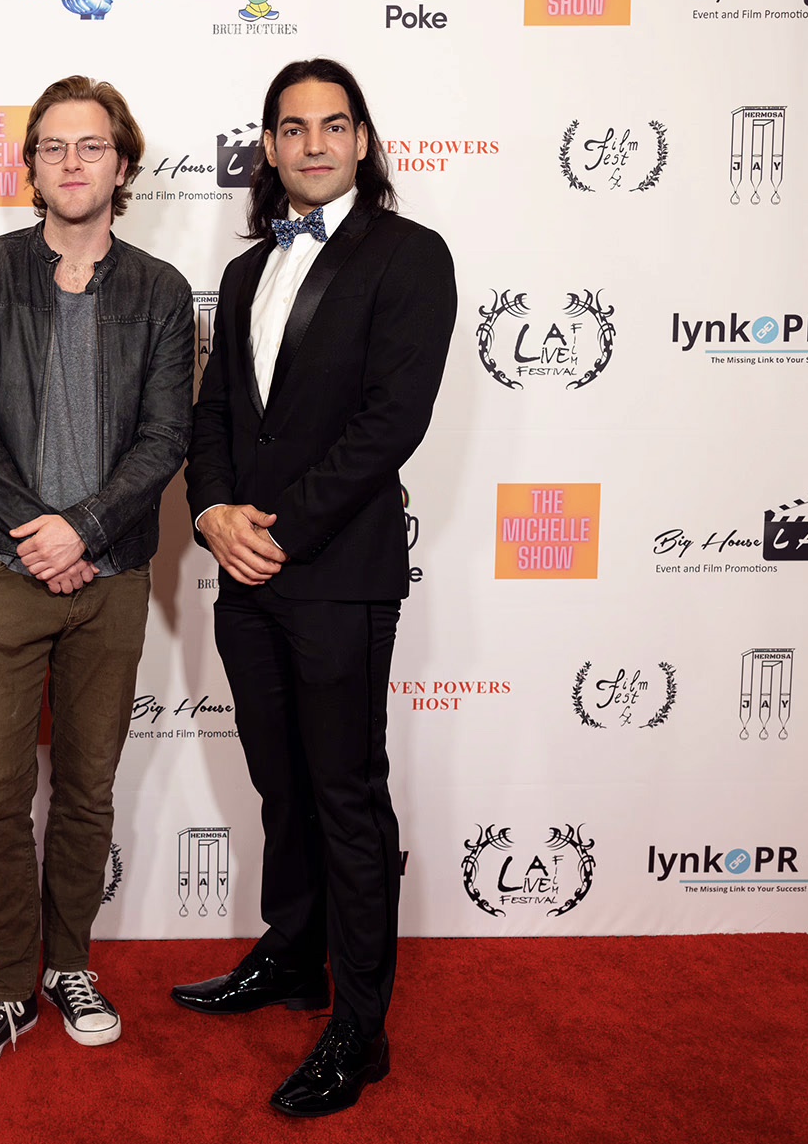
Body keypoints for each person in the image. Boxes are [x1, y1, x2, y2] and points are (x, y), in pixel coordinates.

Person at [174, 57, 457, 1118]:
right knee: (281, 784)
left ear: (364, 139)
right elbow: (212, 417)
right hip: (244, 576)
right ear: (271, 146)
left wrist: (274, 532)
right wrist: (211, 514)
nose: (314, 144)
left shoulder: (411, 257)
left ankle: (362, 1026)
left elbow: (392, 422)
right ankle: (293, 957)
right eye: (292, 129)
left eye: (334, 126)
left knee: (344, 795)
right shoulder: (248, 272)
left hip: (335, 573)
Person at [0, 75, 194, 1074]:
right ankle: (8, 986)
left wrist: (82, 528)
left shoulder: (162, 291)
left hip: (113, 572)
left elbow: (166, 434)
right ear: (32, 164)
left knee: (86, 788)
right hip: (2, 569)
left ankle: (69, 962)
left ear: (123, 165)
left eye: (92, 146)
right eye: (52, 146)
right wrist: (36, 529)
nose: (72, 162)